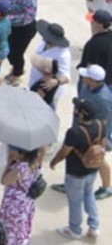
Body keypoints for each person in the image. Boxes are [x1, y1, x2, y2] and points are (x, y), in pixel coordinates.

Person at [50, 98, 103, 239]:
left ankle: (74, 229)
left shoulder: (74, 132)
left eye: (77, 108)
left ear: (81, 114)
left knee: (75, 201)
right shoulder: (99, 125)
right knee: (89, 194)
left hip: (76, 172)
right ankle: (94, 226)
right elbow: (101, 144)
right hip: (93, 169)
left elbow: (64, 152)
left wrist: (54, 162)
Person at [0, 146, 39, 245]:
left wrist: (8, 163)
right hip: (26, 202)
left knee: (11, 232)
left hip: (15, 204)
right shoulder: (34, 164)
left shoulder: (21, 167)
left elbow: (4, 181)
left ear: (22, 153)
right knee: (21, 231)